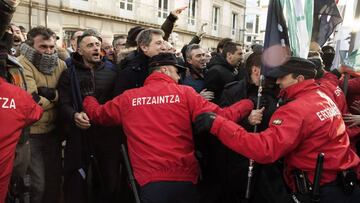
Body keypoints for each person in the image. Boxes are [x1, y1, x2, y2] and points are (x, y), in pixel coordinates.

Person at [82, 52, 258, 203]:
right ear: (164, 70)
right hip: (185, 178)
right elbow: (221, 116)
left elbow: (98, 115)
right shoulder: (186, 93)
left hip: (148, 181)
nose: (179, 77)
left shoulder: (128, 98)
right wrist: (249, 102)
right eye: (176, 72)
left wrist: (88, 98)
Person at [195, 57, 360, 203]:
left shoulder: (296, 108)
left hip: (322, 189)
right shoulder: (323, 97)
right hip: (343, 182)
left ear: (300, 78)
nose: (278, 81)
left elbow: (265, 148)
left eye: (283, 76)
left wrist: (218, 124)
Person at [58, 31, 120, 203]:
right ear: (79, 50)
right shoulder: (68, 73)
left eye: (97, 45)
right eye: (90, 45)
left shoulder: (113, 70)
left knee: (109, 181)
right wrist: (74, 115)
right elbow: (63, 103)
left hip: (108, 136)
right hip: (79, 135)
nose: (95, 48)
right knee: (77, 183)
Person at [18, 26, 66, 203]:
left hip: (53, 133)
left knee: (54, 183)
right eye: (43, 47)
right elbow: (31, 101)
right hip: (31, 135)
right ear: (31, 45)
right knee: (38, 185)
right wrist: (56, 99)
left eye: (52, 47)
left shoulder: (60, 64)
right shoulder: (21, 63)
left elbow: (66, 96)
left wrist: (52, 95)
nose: (48, 51)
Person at [113, 28, 167, 96]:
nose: (164, 47)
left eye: (163, 43)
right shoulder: (129, 72)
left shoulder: (168, 68)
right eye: (158, 43)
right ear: (144, 47)